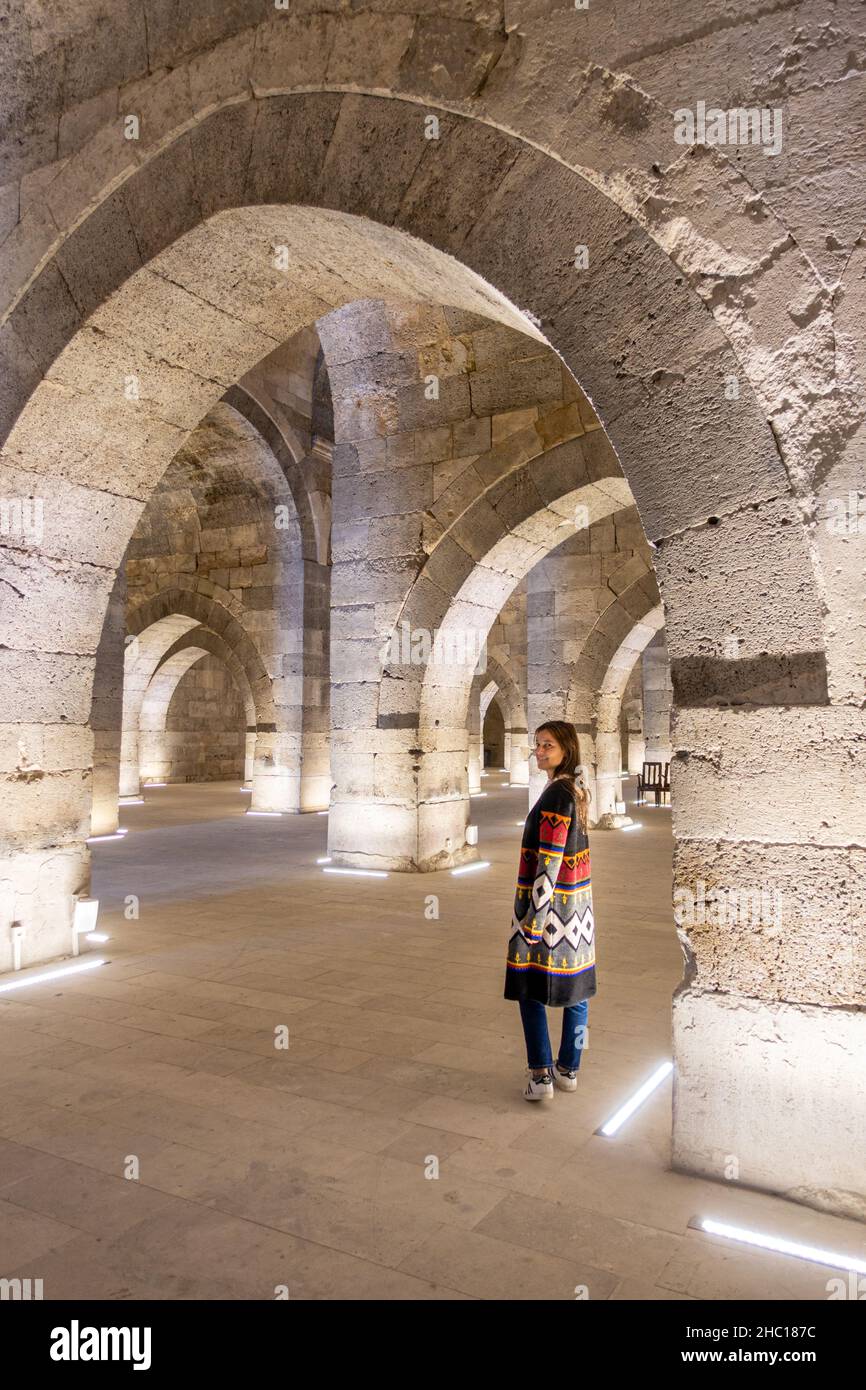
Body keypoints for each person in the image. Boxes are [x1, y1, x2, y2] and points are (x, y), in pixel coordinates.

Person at [504, 720, 596, 1101]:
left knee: (529, 986)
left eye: (548, 746)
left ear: (566, 750)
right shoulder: (572, 789)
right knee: (575, 989)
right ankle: (568, 1069)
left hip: (550, 910)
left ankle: (541, 1074)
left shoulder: (558, 794)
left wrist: (534, 918)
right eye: (537, 745)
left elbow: (551, 859)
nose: (540, 752)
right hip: (576, 910)